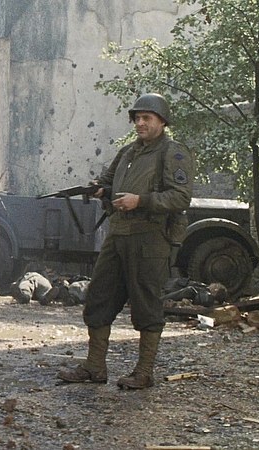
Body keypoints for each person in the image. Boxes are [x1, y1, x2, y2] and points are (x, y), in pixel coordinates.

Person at [57, 93, 194, 389]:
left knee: (146, 304)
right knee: (98, 298)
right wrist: (99, 190)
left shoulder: (173, 152)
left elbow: (181, 196)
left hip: (150, 238)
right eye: (137, 118)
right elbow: (108, 183)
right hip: (118, 234)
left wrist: (140, 200)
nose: (140, 123)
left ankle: (144, 372)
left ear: (162, 121)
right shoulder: (128, 152)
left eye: (147, 118)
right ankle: (94, 367)